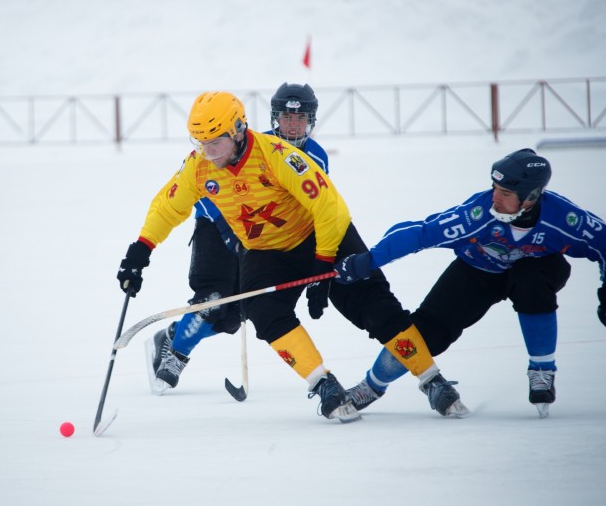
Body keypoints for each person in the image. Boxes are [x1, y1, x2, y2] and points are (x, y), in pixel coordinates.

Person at [117, 91, 469, 422]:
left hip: (322, 236)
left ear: (239, 130)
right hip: (267, 250)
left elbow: (328, 206)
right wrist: (140, 251)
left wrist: (322, 263)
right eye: (201, 143)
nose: (209, 152)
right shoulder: (199, 167)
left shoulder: (276, 155)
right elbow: (168, 206)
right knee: (262, 311)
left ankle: (432, 379)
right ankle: (323, 384)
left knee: (373, 306)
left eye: (216, 141)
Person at [334, 148, 606, 418]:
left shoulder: (564, 219)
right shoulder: (477, 214)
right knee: (427, 331)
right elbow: (420, 233)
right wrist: (367, 261)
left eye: (506, 193)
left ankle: (542, 371)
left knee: (531, 283)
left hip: (536, 269)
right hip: (478, 271)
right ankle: (371, 386)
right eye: (494, 188)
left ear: (531, 197)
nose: (495, 198)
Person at [144, 83, 329, 395]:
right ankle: (176, 354)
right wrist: (227, 228)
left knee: (237, 313)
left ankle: (173, 335)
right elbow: (206, 188)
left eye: (300, 119)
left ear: (311, 120)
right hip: (216, 227)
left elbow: (314, 206)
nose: (293, 125)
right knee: (214, 298)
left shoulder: (317, 157)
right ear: (275, 119)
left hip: (263, 237)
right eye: (286, 118)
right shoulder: (256, 146)